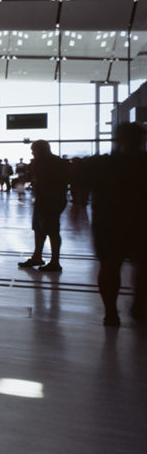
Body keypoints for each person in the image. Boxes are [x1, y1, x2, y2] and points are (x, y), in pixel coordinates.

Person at [84, 123, 147, 326]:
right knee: (143, 267)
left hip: (108, 224)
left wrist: (78, 206)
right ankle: (140, 305)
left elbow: (83, 184)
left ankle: (111, 312)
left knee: (109, 267)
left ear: (118, 139)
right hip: (141, 223)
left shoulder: (101, 164)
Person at [19, 140, 68, 273]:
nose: (32, 152)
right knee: (39, 228)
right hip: (46, 199)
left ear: (41, 150)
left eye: (34, 150)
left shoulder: (48, 164)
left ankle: (54, 261)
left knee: (51, 230)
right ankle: (38, 256)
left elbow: (44, 180)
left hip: (50, 199)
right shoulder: (57, 162)